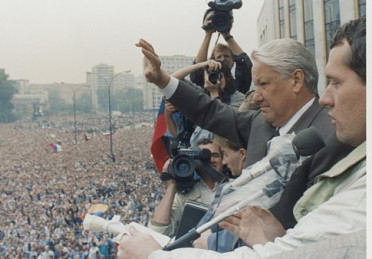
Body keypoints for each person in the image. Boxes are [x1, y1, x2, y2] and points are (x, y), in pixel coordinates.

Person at [118, 16, 366, 258]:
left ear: (296, 80)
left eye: (264, 84)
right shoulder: (261, 122)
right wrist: (163, 81)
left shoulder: (335, 135)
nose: (255, 97)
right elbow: (210, 111)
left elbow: (320, 240)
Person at [148, 137, 225, 237]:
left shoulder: (232, 187)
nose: (210, 159)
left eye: (215, 155)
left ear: (224, 160)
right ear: (194, 163)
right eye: (205, 156)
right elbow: (158, 231)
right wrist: (171, 187)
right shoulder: (186, 195)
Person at [166, 60, 245, 147]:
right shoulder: (203, 94)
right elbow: (170, 80)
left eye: (218, 75)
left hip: (220, 150)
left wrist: (214, 93)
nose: (214, 79)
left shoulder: (238, 98)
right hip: (198, 148)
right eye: (210, 75)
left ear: (227, 78)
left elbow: (223, 122)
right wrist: (201, 65)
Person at [190, 10, 253, 94]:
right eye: (219, 57)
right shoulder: (206, 84)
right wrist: (208, 34)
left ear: (233, 61)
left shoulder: (238, 86)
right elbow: (197, 69)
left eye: (227, 56)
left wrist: (226, 34)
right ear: (212, 60)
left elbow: (245, 65)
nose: (223, 59)